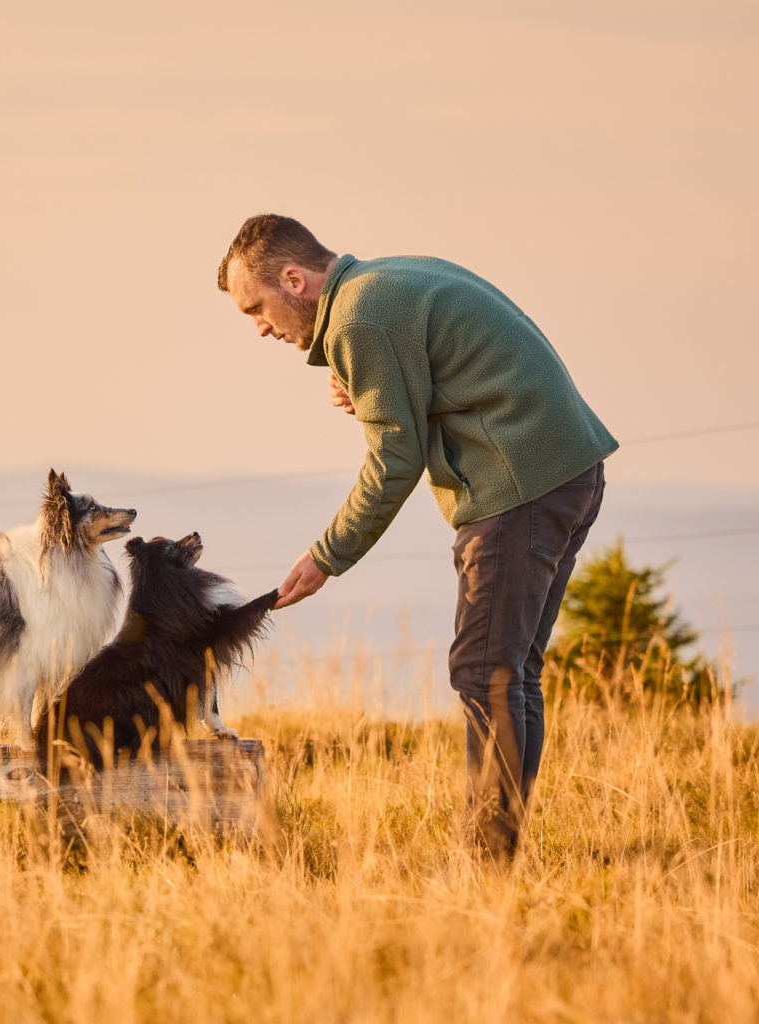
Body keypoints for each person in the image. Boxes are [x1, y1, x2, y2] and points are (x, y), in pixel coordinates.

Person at [218, 213, 617, 860]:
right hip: (564, 471)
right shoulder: (381, 285)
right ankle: (500, 851)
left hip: (518, 488)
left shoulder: (361, 319)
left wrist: (326, 556)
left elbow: (394, 461)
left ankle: (486, 861)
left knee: (484, 671)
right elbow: (457, 377)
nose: (260, 328)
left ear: (294, 280)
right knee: (509, 673)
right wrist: (386, 390)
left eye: (255, 309)